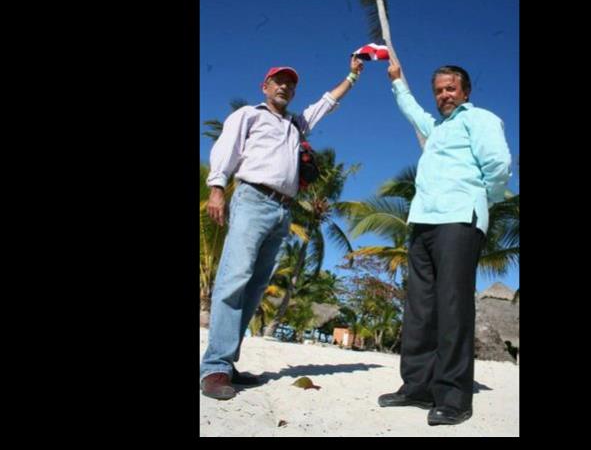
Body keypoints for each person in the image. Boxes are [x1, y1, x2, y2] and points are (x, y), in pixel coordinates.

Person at [200, 56, 365, 400]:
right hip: (252, 199)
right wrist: (217, 187)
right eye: (279, 81)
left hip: (283, 211)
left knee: (255, 288)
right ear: (265, 86)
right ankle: (214, 367)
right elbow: (226, 150)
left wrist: (352, 74)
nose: (285, 87)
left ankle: (227, 364)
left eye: (290, 83)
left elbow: (327, 103)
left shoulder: (295, 125)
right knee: (234, 279)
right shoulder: (249, 115)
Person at [378, 61, 511, 426]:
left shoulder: (480, 119)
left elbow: (499, 163)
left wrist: (484, 198)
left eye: (450, 89)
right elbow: (412, 111)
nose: (443, 96)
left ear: (465, 92)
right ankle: (418, 386)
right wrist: (396, 81)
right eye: (438, 90)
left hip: (459, 218)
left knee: (453, 306)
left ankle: (453, 397)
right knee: (420, 308)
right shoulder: (436, 130)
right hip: (422, 221)